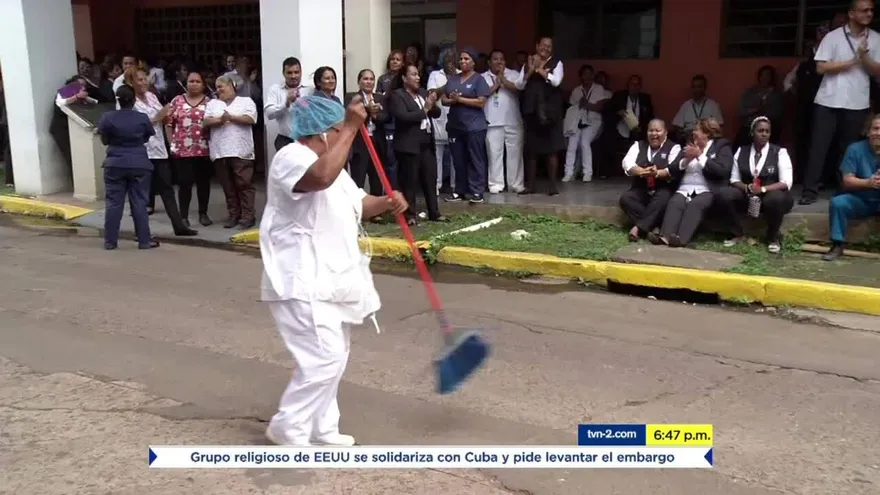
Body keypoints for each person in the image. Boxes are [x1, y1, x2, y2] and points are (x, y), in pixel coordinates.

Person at [259, 95, 408, 446]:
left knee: (333, 358)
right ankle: (289, 426)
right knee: (323, 357)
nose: (344, 136)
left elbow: (358, 203)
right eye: (338, 130)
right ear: (322, 131)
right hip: (299, 277)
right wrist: (353, 128)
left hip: (330, 279)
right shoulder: (291, 158)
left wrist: (387, 202)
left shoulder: (334, 166)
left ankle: (322, 427)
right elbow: (320, 178)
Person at [800, 0, 880, 205]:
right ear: (852, 14)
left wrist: (864, 58)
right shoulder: (833, 37)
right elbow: (821, 67)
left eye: (871, 10)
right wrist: (853, 61)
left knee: (848, 149)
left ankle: (844, 189)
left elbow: (878, 72)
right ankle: (810, 191)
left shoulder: (877, 39)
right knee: (819, 146)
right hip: (827, 100)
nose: (869, 14)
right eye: (865, 10)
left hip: (857, 101)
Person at [128, 67, 197, 236]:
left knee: (167, 188)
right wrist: (157, 118)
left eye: (145, 79)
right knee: (141, 192)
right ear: (131, 82)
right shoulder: (129, 101)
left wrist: (166, 116)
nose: (144, 83)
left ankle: (179, 226)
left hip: (158, 149)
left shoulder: (152, 96)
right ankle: (141, 231)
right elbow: (132, 125)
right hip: (142, 150)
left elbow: (162, 116)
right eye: (140, 80)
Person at [650, 118, 734, 247]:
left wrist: (700, 156)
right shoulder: (689, 145)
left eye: (697, 130)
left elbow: (723, 170)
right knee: (675, 202)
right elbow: (672, 168)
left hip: (707, 189)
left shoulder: (721, 146)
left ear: (707, 133)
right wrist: (686, 160)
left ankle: (681, 239)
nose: (693, 132)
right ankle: (665, 237)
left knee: (695, 204)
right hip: (684, 188)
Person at [716, 116, 794, 254]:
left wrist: (763, 189)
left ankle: (773, 237)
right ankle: (738, 233)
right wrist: (747, 187)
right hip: (749, 196)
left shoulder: (779, 152)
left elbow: (786, 182)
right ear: (752, 133)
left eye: (767, 131)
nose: (764, 134)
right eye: (760, 131)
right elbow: (734, 179)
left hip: (772, 197)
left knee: (775, 198)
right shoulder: (741, 151)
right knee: (724, 194)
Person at [96, 85, 158, 250]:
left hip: (115, 163)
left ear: (117, 100)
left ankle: (110, 241)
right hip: (139, 163)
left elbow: (104, 140)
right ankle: (144, 241)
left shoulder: (107, 117)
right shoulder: (142, 118)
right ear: (134, 100)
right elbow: (146, 138)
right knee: (139, 202)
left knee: (114, 203)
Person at [390, 64, 445, 225]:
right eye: (413, 75)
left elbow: (437, 113)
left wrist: (432, 104)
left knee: (430, 178)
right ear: (404, 78)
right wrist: (424, 110)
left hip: (426, 143)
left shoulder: (422, 93)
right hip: (408, 145)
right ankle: (410, 215)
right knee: (409, 181)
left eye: (418, 74)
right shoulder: (397, 95)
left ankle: (434, 212)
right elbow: (403, 116)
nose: (417, 77)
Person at [203, 74, 259, 229]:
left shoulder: (246, 101)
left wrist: (231, 117)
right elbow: (206, 121)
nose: (219, 89)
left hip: (241, 150)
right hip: (220, 151)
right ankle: (234, 215)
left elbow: (251, 119)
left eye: (222, 86)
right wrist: (221, 120)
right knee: (227, 185)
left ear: (232, 86)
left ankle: (248, 216)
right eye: (217, 86)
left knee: (244, 183)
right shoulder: (213, 103)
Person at [823, 113, 880, 261]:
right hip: (861, 200)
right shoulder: (855, 149)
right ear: (868, 131)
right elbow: (847, 180)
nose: (878, 133)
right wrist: (868, 182)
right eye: (875, 128)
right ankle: (837, 244)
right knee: (838, 203)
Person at [516, 36, 565, 196]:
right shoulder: (527, 64)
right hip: (532, 112)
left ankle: (552, 186)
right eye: (543, 45)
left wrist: (541, 70)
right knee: (532, 151)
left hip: (550, 113)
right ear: (537, 46)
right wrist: (531, 70)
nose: (545, 48)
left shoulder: (557, 63)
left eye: (549, 46)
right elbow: (519, 85)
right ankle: (531, 186)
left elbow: (556, 81)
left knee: (552, 150)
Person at [618, 119, 681, 242]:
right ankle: (654, 227)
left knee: (663, 197)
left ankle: (637, 228)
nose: (654, 134)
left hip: (662, 189)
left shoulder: (674, 148)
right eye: (651, 130)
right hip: (641, 188)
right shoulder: (638, 145)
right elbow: (627, 163)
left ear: (665, 132)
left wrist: (657, 173)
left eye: (658, 130)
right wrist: (642, 171)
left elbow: (673, 169)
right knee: (626, 198)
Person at [441, 48, 491, 203]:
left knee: (475, 158)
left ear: (474, 62)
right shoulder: (453, 79)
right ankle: (460, 191)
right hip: (455, 126)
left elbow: (481, 102)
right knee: (458, 159)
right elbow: (443, 98)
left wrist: (460, 100)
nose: (462, 61)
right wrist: (452, 100)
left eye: (466, 59)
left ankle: (477, 192)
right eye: (461, 59)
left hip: (474, 126)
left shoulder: (479, 80)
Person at [167, 70, 213, 228]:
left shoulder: (210, 102)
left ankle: (203, 213)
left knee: (203, 183)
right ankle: (184, 216)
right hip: (182, 150)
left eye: (197, 81)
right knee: (184, 183)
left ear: (203, 84)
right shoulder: (177, 101)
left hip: (204, 149)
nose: (194, 84)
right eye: (191, 81)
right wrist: (171, 143)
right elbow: (168, 123)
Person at [483, 49, 524, 194]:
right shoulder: (482, 77)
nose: (499, 62)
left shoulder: (514, 74)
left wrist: (504, 80)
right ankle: (495, 184)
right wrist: (495, 84)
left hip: (513, 120)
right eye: (495, 59)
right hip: (491, 121)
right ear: (489, 62)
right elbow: (481, 94)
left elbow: (520, 89)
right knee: (494, 154)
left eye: (501, 59)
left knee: (515, 154)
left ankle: (516, 184)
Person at [562, 64, 609, 183]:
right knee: (572, 145)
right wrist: (579, 105)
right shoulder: (576, 91)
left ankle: (587, 173)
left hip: (593, 122)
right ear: (580, 76)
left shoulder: (598, 88)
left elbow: (599, 107)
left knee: (584, 142)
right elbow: (571, 108)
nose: (587, 77)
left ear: (593, 75)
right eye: (585, 74)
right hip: (577, 121)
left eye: (590, 74)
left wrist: (587, 104)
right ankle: (568, 173)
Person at [345, 69, 386, 197]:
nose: (369, 82)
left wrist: (376, 116)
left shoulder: (380, 98)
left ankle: (376, 211)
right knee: (358, 177)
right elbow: (350, 115)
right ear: (359, 81)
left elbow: (386, 117)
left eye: (371, 79)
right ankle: (358, 208)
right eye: (365, 79)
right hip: (360, 143)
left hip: (377, 142)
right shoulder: (351, 97)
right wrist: (367, 111)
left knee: (376, 177)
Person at [426, 47, 459, 194]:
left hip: (456, 119)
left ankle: (455, 186)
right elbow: (432, 93)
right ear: (442, 61)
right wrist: (449, 83)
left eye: (452, 60)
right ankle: (436, 186)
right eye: (446, 60)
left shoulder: (461, 74)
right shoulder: (435, 74)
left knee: (455, 155)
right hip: (439, 119)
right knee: (437, 156)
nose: (449, 63)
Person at [265, 57, 313, 151]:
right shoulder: (275, 89)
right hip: (285, 140)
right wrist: (286, 103)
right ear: (283, 73)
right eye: (289, 72)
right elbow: (269, 114)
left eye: (296, 72)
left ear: (301, 72)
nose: (293, 76)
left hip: (307, 139)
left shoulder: (310, 89)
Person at [734, 66, 784, 148]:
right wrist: (756, 110)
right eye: (763, 75)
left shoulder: (776, 95)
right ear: (759, 77)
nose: (765, 78)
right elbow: (741, 112)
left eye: (768, 76)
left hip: (769, 129)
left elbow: (778, 115)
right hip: (749, 127)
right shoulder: (750, 92)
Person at [671, 75, 724, 144]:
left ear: (705, 88)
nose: (696, 90)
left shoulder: (713, 105)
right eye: (694, 87)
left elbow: (719, 127)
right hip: (689, 139)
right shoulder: (686, 105)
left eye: (699, 86)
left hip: (707, 139)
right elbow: (677, 126)